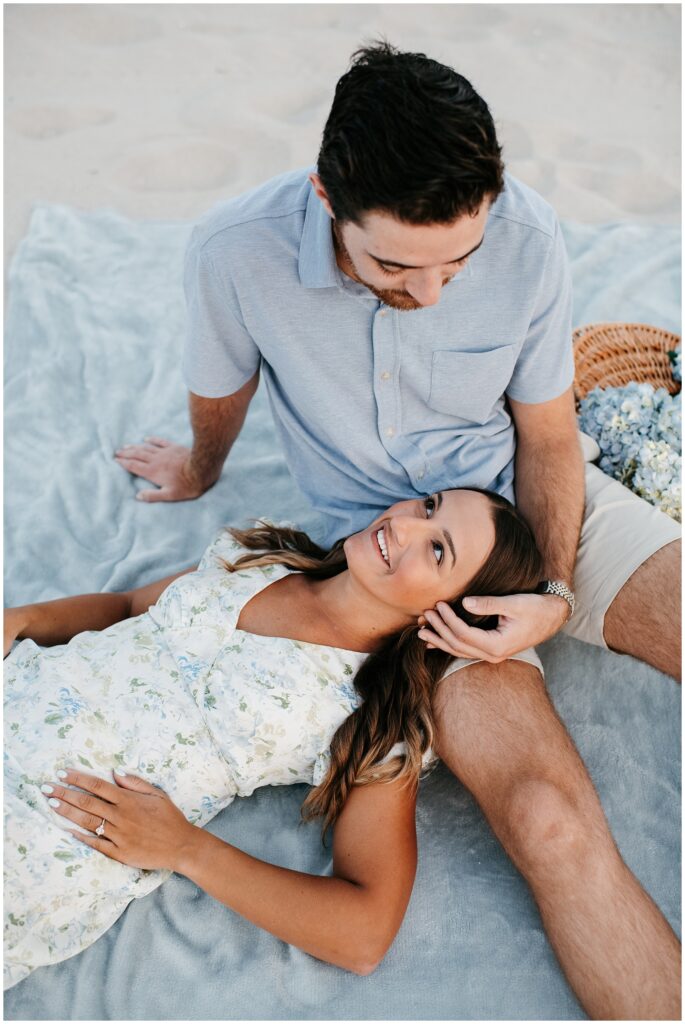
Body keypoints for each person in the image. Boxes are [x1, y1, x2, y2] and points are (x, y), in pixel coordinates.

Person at [113, 43, 681, 1018]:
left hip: (535, 500)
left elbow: (546, 433)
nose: (431, 294)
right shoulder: (233, 252)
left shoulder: (529, 241)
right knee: (547, 823)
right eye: (396, 266)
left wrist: (546, 592)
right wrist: (197, 469)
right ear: (325, 194)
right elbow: (224, 391)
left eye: (458, 263)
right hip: (392, 568)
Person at [4, 488, 544, 990]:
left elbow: (365, 933)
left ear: (455, 614)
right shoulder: (267, 555)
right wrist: (21, 619)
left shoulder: (376, 719)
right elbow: (127, 609)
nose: (404, 525)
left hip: (50, 824)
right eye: (429, 506)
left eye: (438, 551)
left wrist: (186, 850)